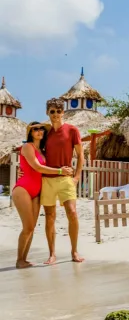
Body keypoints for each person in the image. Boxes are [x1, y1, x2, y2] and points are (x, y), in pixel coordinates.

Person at [13, 122, 73, 269]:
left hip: (37, 191)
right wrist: (60, 171)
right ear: (30, 132)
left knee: (32, 227)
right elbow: (37, 167)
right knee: (27, 227)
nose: (39, 131)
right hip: (23, 189)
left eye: (41, 129)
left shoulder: (42, 151)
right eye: (35, 129)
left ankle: (24, 260)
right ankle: (19, 260)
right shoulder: (27, 146)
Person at [41, 98, 85, 264]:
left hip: (66, 179)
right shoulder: (44, 133)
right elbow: (36, 153)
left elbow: (81, 155)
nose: (56, 115)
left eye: (59, 111)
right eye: (52, 111)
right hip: (47, 180)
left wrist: (77, 177)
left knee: (72, 213)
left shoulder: (72, 130)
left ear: (63, 112)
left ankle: (74, 251)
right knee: (50, 217)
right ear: (48, 113)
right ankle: (52, 254)